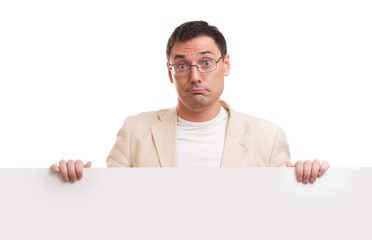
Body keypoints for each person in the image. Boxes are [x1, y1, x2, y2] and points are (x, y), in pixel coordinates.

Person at [51, 21, 329, 184]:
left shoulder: (268, 137)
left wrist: (307, 181)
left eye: (206, 62)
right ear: (170, 73)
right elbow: (109, 209)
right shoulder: (135, 130)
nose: (195, 76)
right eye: (182, 65)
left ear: (226, 64)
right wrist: (75, 182)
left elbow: (281, 217)